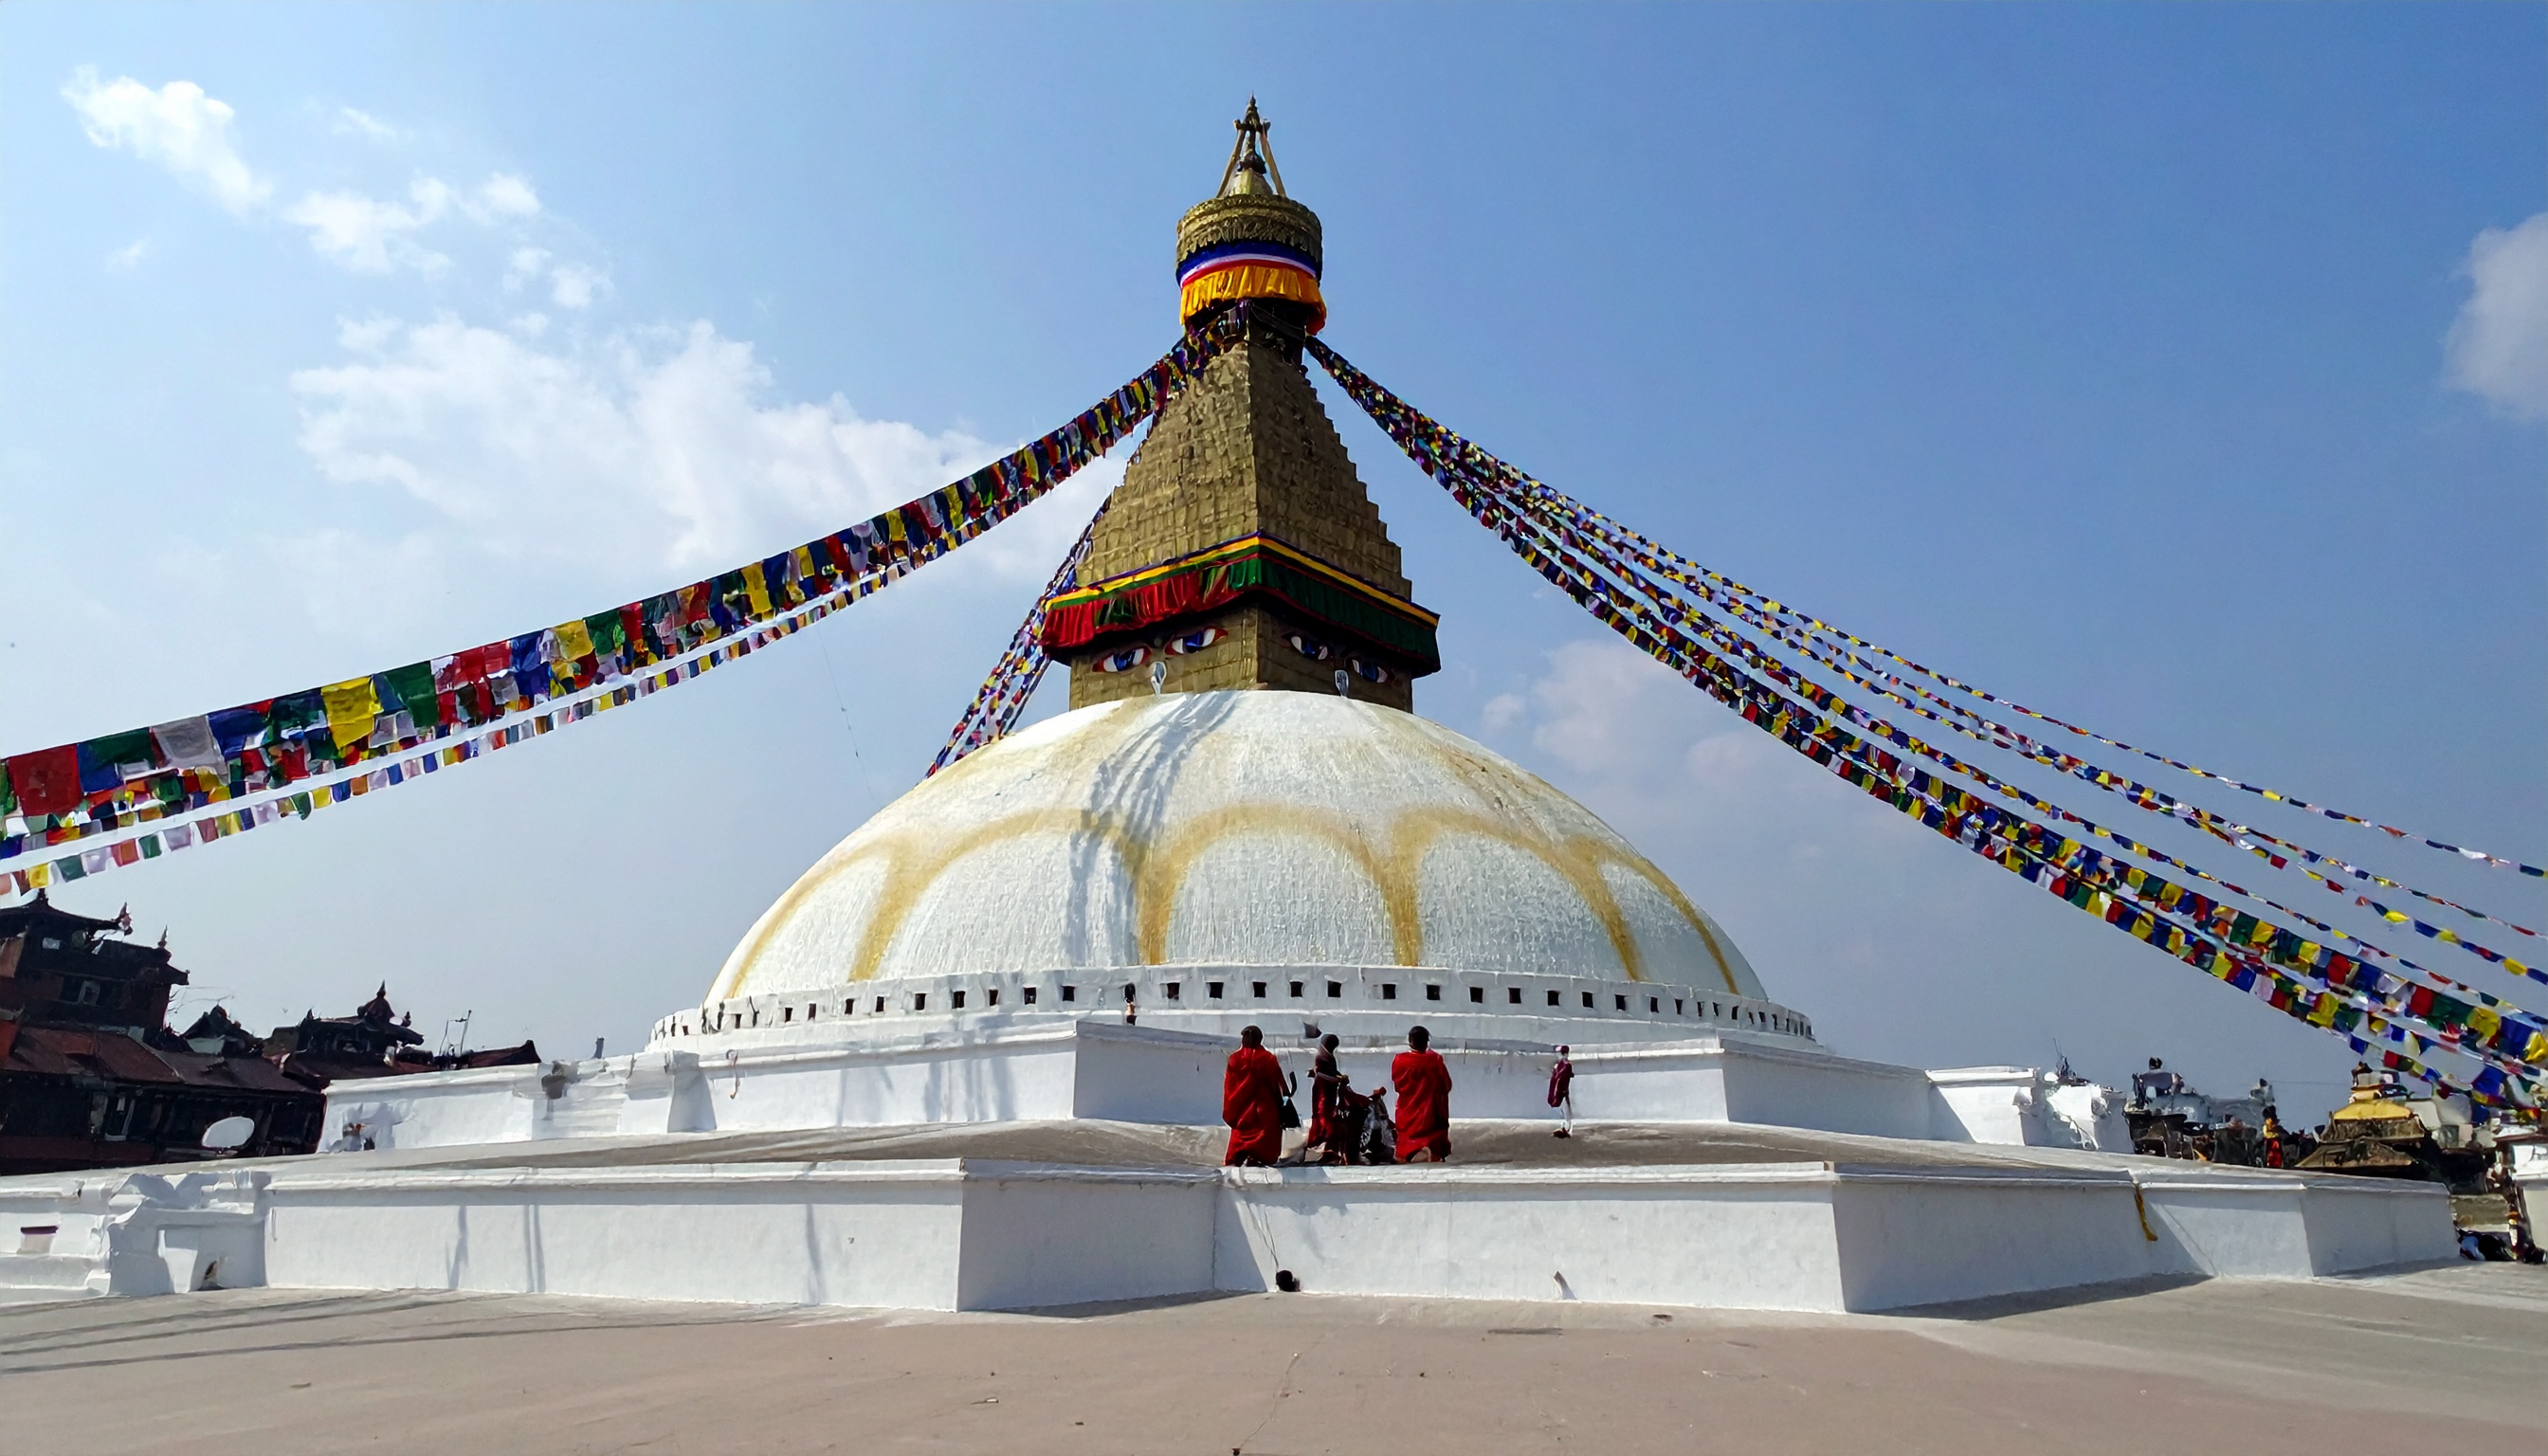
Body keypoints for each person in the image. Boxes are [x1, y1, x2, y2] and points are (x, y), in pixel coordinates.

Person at [1222, 1025, 1287, 1166]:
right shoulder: (1268, 1058)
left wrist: (1232, 1106)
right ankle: (1258, 1156)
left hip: (1241, 1108)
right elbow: (1276, 1084)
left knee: (1240, 1133)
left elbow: (1229, 1085)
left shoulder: (1234, 1059)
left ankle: (1239, 1154)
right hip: (1263, 1107)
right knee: (1266, 1132)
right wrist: (1280, 1102)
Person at [1392, 1025, 1453, 1163]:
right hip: (1430, 1109)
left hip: (1408, 1108)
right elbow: (1446, 1085)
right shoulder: (1435, 1060)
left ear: (1410, 1041)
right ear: (1426, 1042)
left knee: (1407, 1138)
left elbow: (1397, 1086)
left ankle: (1413, 1152)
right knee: (1432, 1135)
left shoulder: (1399, 1061)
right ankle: (1430, 1149)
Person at [1305, 1033, 1350, 1164]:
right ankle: (1322, 1146)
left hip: (1330, 1093)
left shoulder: (1329, 1057)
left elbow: (1331, 1072)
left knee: (1329, 1116)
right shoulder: (1321, 1058)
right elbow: (1321, 1074)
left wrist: (1340, 1077)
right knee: (1324, 1117)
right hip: (1322, 1093)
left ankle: (1328, 1147)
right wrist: (1337, 1079)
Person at [1547, 1044, 1574, 1138]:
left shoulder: (1566, 1065)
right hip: (1560, 1090)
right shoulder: (1559, 1065)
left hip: (1563, 1090)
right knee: (1564, 1109)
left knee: (1566, 1109)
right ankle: (1565, 1126)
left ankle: (1568, 1127)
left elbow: (1563, 1077)